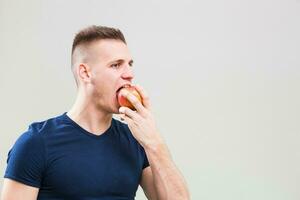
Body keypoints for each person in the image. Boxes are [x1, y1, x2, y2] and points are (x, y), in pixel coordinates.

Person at [1, 25, 190, 200]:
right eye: (116, 65)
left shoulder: (136, 140)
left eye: (129, 64)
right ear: (85, 73)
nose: (129, 74)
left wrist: (154, 142)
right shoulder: (36, 143)